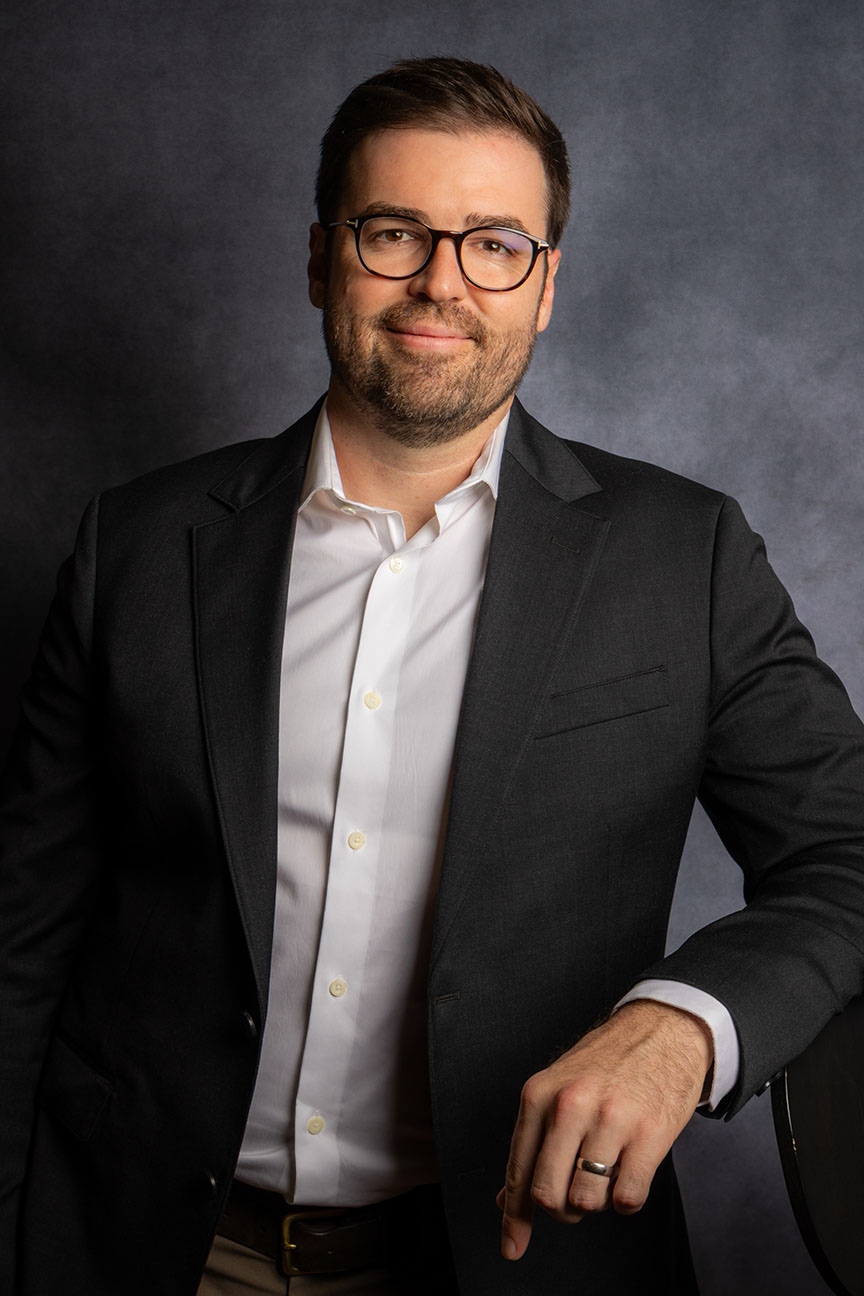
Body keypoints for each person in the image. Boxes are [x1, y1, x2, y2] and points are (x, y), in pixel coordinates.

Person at [1, 55, 863, 1296]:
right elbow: (22, 940)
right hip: (150, 1253)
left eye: (495, 244)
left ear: (546, 286)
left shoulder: (689, 557)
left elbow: (849, 854)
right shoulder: (131, 549)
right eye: (395, 232)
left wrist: (685, 1026)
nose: (442, 283)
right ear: (321, 259)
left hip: (521, 1264)